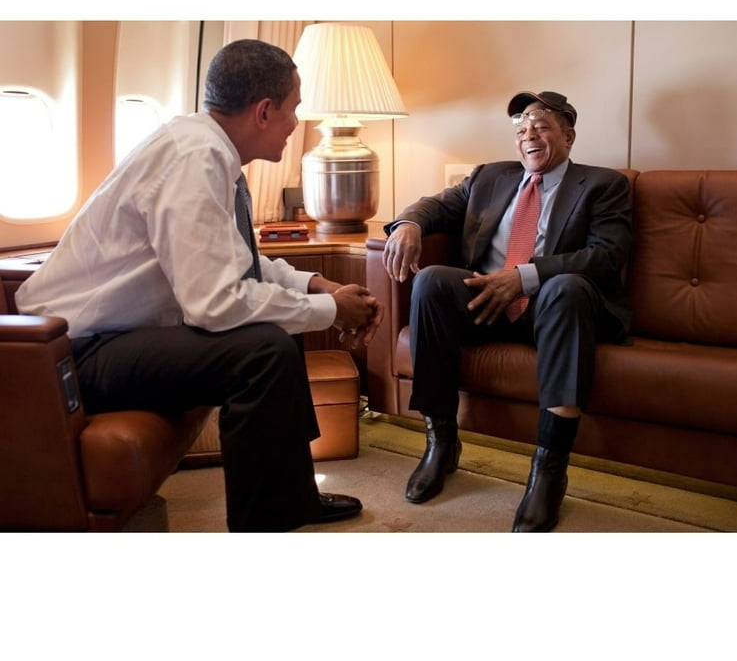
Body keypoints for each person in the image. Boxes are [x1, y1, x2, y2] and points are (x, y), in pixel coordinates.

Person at [16, 38, 383, 532]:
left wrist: (317, 285)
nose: (297, 124)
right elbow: (216, 304)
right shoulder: (195, 159)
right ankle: (265, 522)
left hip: (111, 337)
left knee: (277, 326)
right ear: (264, 111)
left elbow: (238, 263)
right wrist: (331, 312)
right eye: (294, 109)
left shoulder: (208, 149)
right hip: (73, 351)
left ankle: (293, 496)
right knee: (263, 350)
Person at [382, 91, 632, 532]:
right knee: (432, 280)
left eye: (541, 125)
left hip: (554, 310)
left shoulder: (603, 184)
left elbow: (606, 257)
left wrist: (524, 276)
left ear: (568, 136)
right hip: (487, 303)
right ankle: (440, 443)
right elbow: (435, 205)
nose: (528, 135)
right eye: (521, 128)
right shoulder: (489, 177)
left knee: (568, 288)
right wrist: (408, 224)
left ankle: (549, 472)